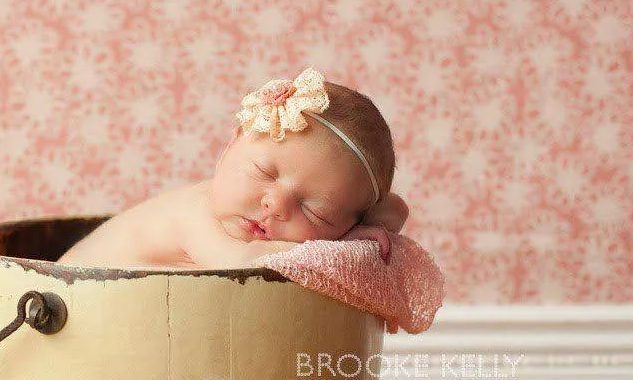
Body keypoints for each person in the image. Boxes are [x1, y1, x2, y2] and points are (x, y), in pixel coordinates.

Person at [57, 67, 409, 269]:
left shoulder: (251, 212)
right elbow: (244, 262)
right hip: (68, 309)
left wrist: (360, 228)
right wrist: (340, 244)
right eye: (262, 173)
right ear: (230, 147)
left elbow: (395, 208)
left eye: (315, 211)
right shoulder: (195, 216)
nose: (276, 205)